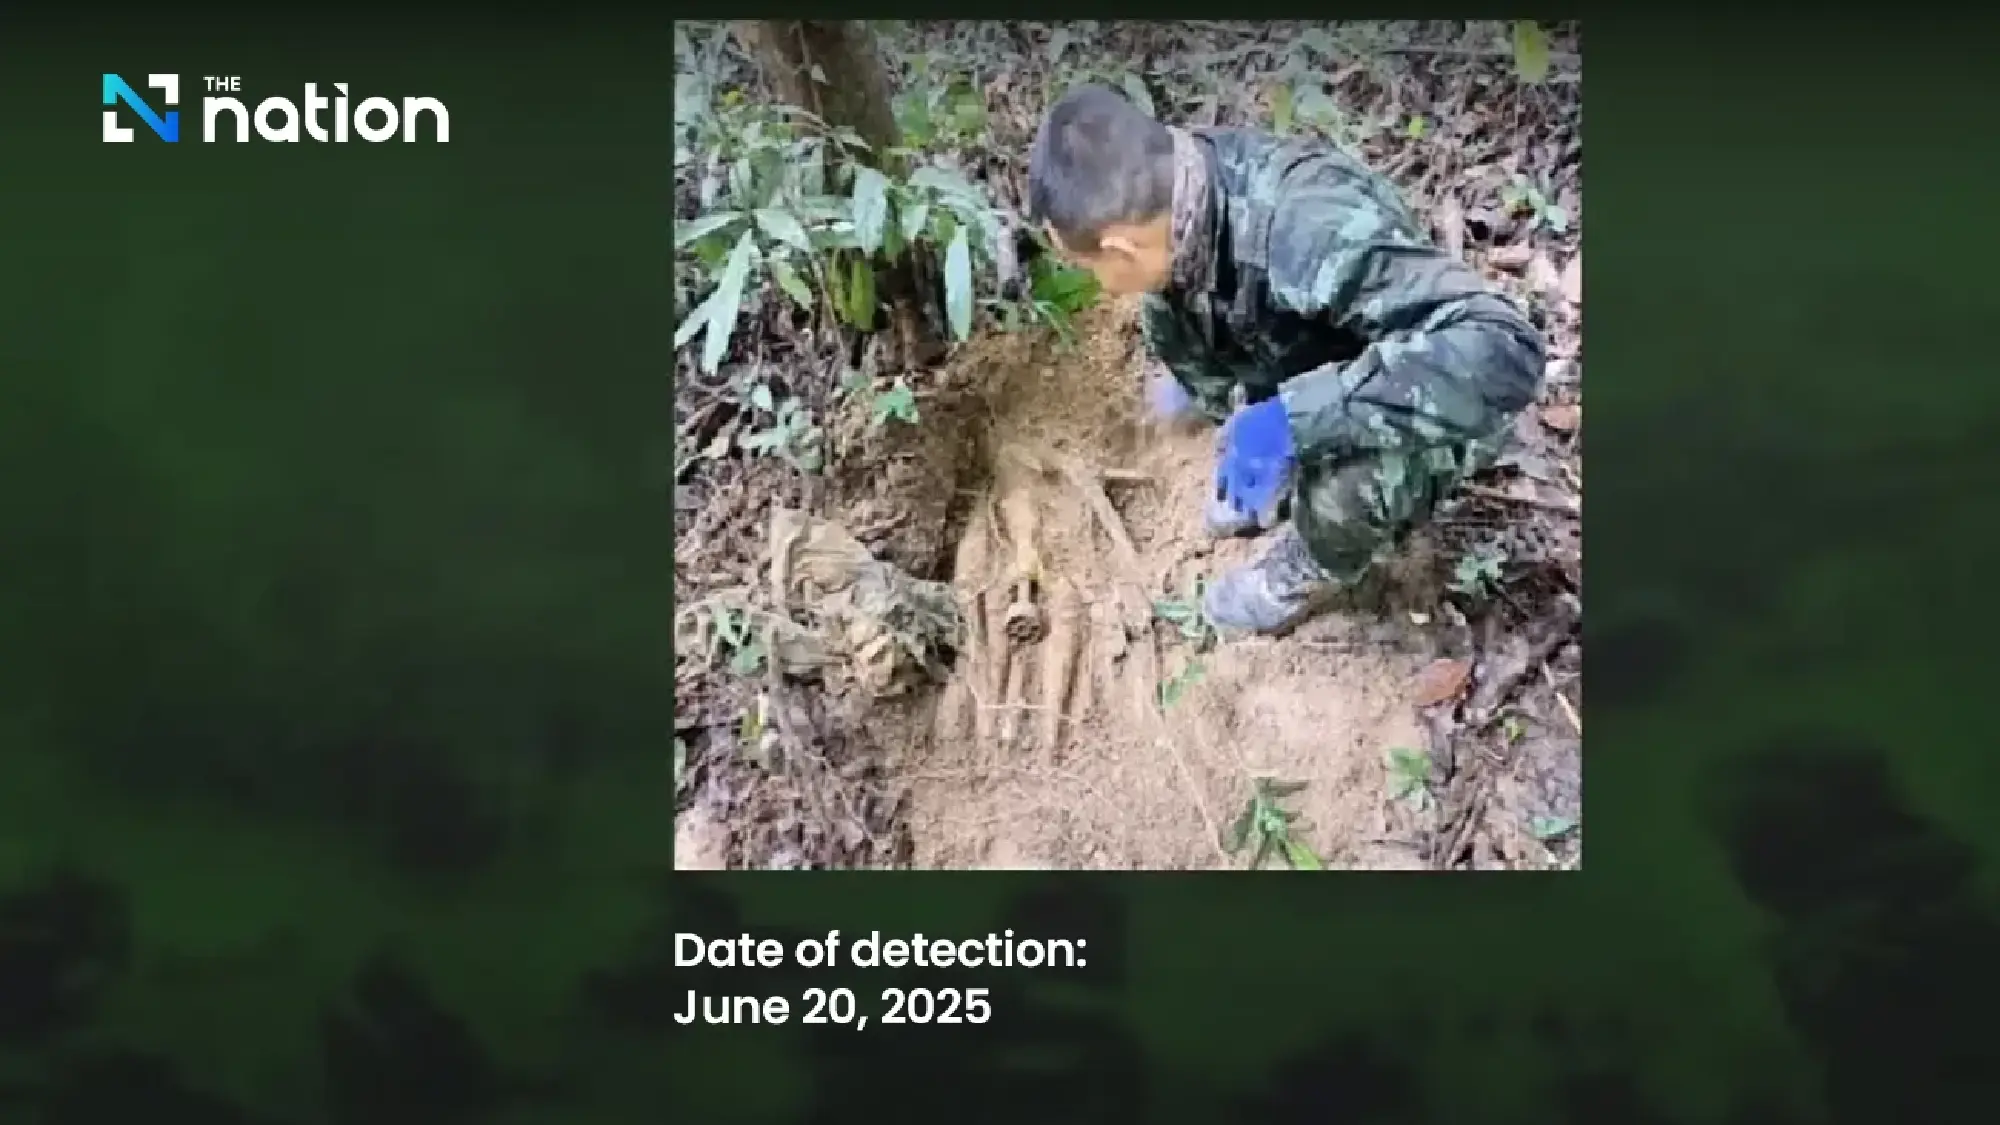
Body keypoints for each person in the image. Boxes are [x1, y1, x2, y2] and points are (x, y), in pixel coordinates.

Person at [1026, 84, 1546, 636]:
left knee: (1340, 493)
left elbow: (1505, 348)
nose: (1100, 287)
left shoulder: (1305, 227)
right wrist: (1234, 402)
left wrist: (1293, 421)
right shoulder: (1184, 191)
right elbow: (1232, 297)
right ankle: (1276, 449)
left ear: (1118, 250)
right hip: (1324, 354)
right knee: (1168, 315)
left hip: (1434, 393)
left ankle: (1309, 566)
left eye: (1089, 269)